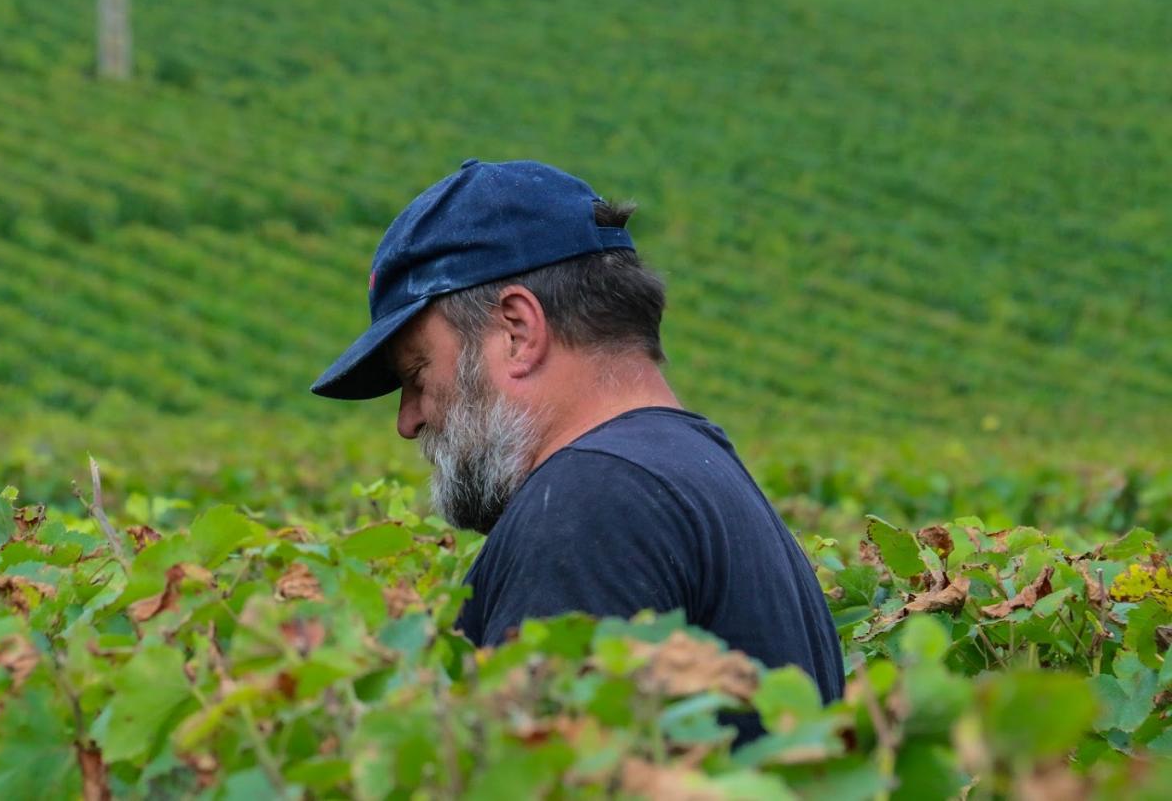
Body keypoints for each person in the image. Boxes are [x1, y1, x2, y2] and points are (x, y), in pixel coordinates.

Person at [310, 158, 844, 743]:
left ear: (517, 331)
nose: (409, 420)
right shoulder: (693, 472)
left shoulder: (590, 503)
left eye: (417, 372)